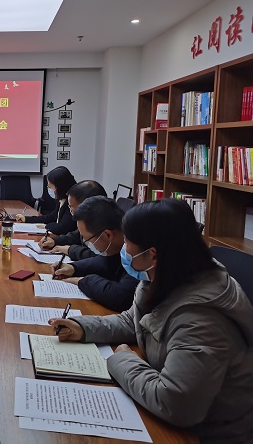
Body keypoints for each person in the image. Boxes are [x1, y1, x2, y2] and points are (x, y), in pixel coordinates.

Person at [49, 199, 253, 443]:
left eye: (127, 243)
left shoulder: (203, 319)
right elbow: (133, 320)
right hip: (170, 410)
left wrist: (122, 359)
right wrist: (83, 327)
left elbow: (175, 404)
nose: (124, 250)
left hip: (208, 434)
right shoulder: (165, 274)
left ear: (152, 254)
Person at [51, 196, 138, 311]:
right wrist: (73, 268)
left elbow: (121, 297)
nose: (87, 244)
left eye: (88, 240)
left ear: (107, 235)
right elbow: (106, 263)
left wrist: (83, 281)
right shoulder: (120, 243)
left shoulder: (138, 250)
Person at [39, 180, 107, 260]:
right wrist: (55, 241)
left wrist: (70, 250)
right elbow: (77, 235)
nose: (70, 210)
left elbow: (100, 257)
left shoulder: (106, 228)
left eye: (71, 206)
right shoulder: (89, 221)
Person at [15, 166, 77, 235]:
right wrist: (26, 219)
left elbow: (62, 228)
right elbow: (51, 217)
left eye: (50, 187)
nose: (48, 189)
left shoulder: (73, 203)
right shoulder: (62, 199)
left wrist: (46, 226)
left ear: (60, 187)